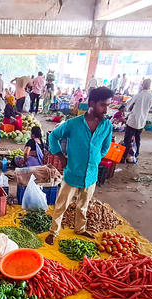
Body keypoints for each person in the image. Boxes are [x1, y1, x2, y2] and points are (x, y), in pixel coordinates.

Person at [45, 87, 114, 245]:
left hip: (91, 175)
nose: (106, 109)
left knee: (83, 205)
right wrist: (61, 157)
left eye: (108, 105)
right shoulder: (73, 124)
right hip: (72, 174)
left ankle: (80, 228)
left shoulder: (106, 126)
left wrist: (95, 159)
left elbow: (105, 147)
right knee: (61, 205)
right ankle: (53, 232)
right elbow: (54, 136)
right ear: (91, 103)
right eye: (103, 105)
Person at [122, 78, 152, 163]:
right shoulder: (151, 96)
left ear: (142, 85)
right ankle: (136, 153)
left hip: (133, 120)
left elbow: (128, 104)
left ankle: (124, 156)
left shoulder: (139, 94)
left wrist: (125, 112)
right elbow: (150, 107)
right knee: (137, 138)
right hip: (142, 121)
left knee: (127, 139)